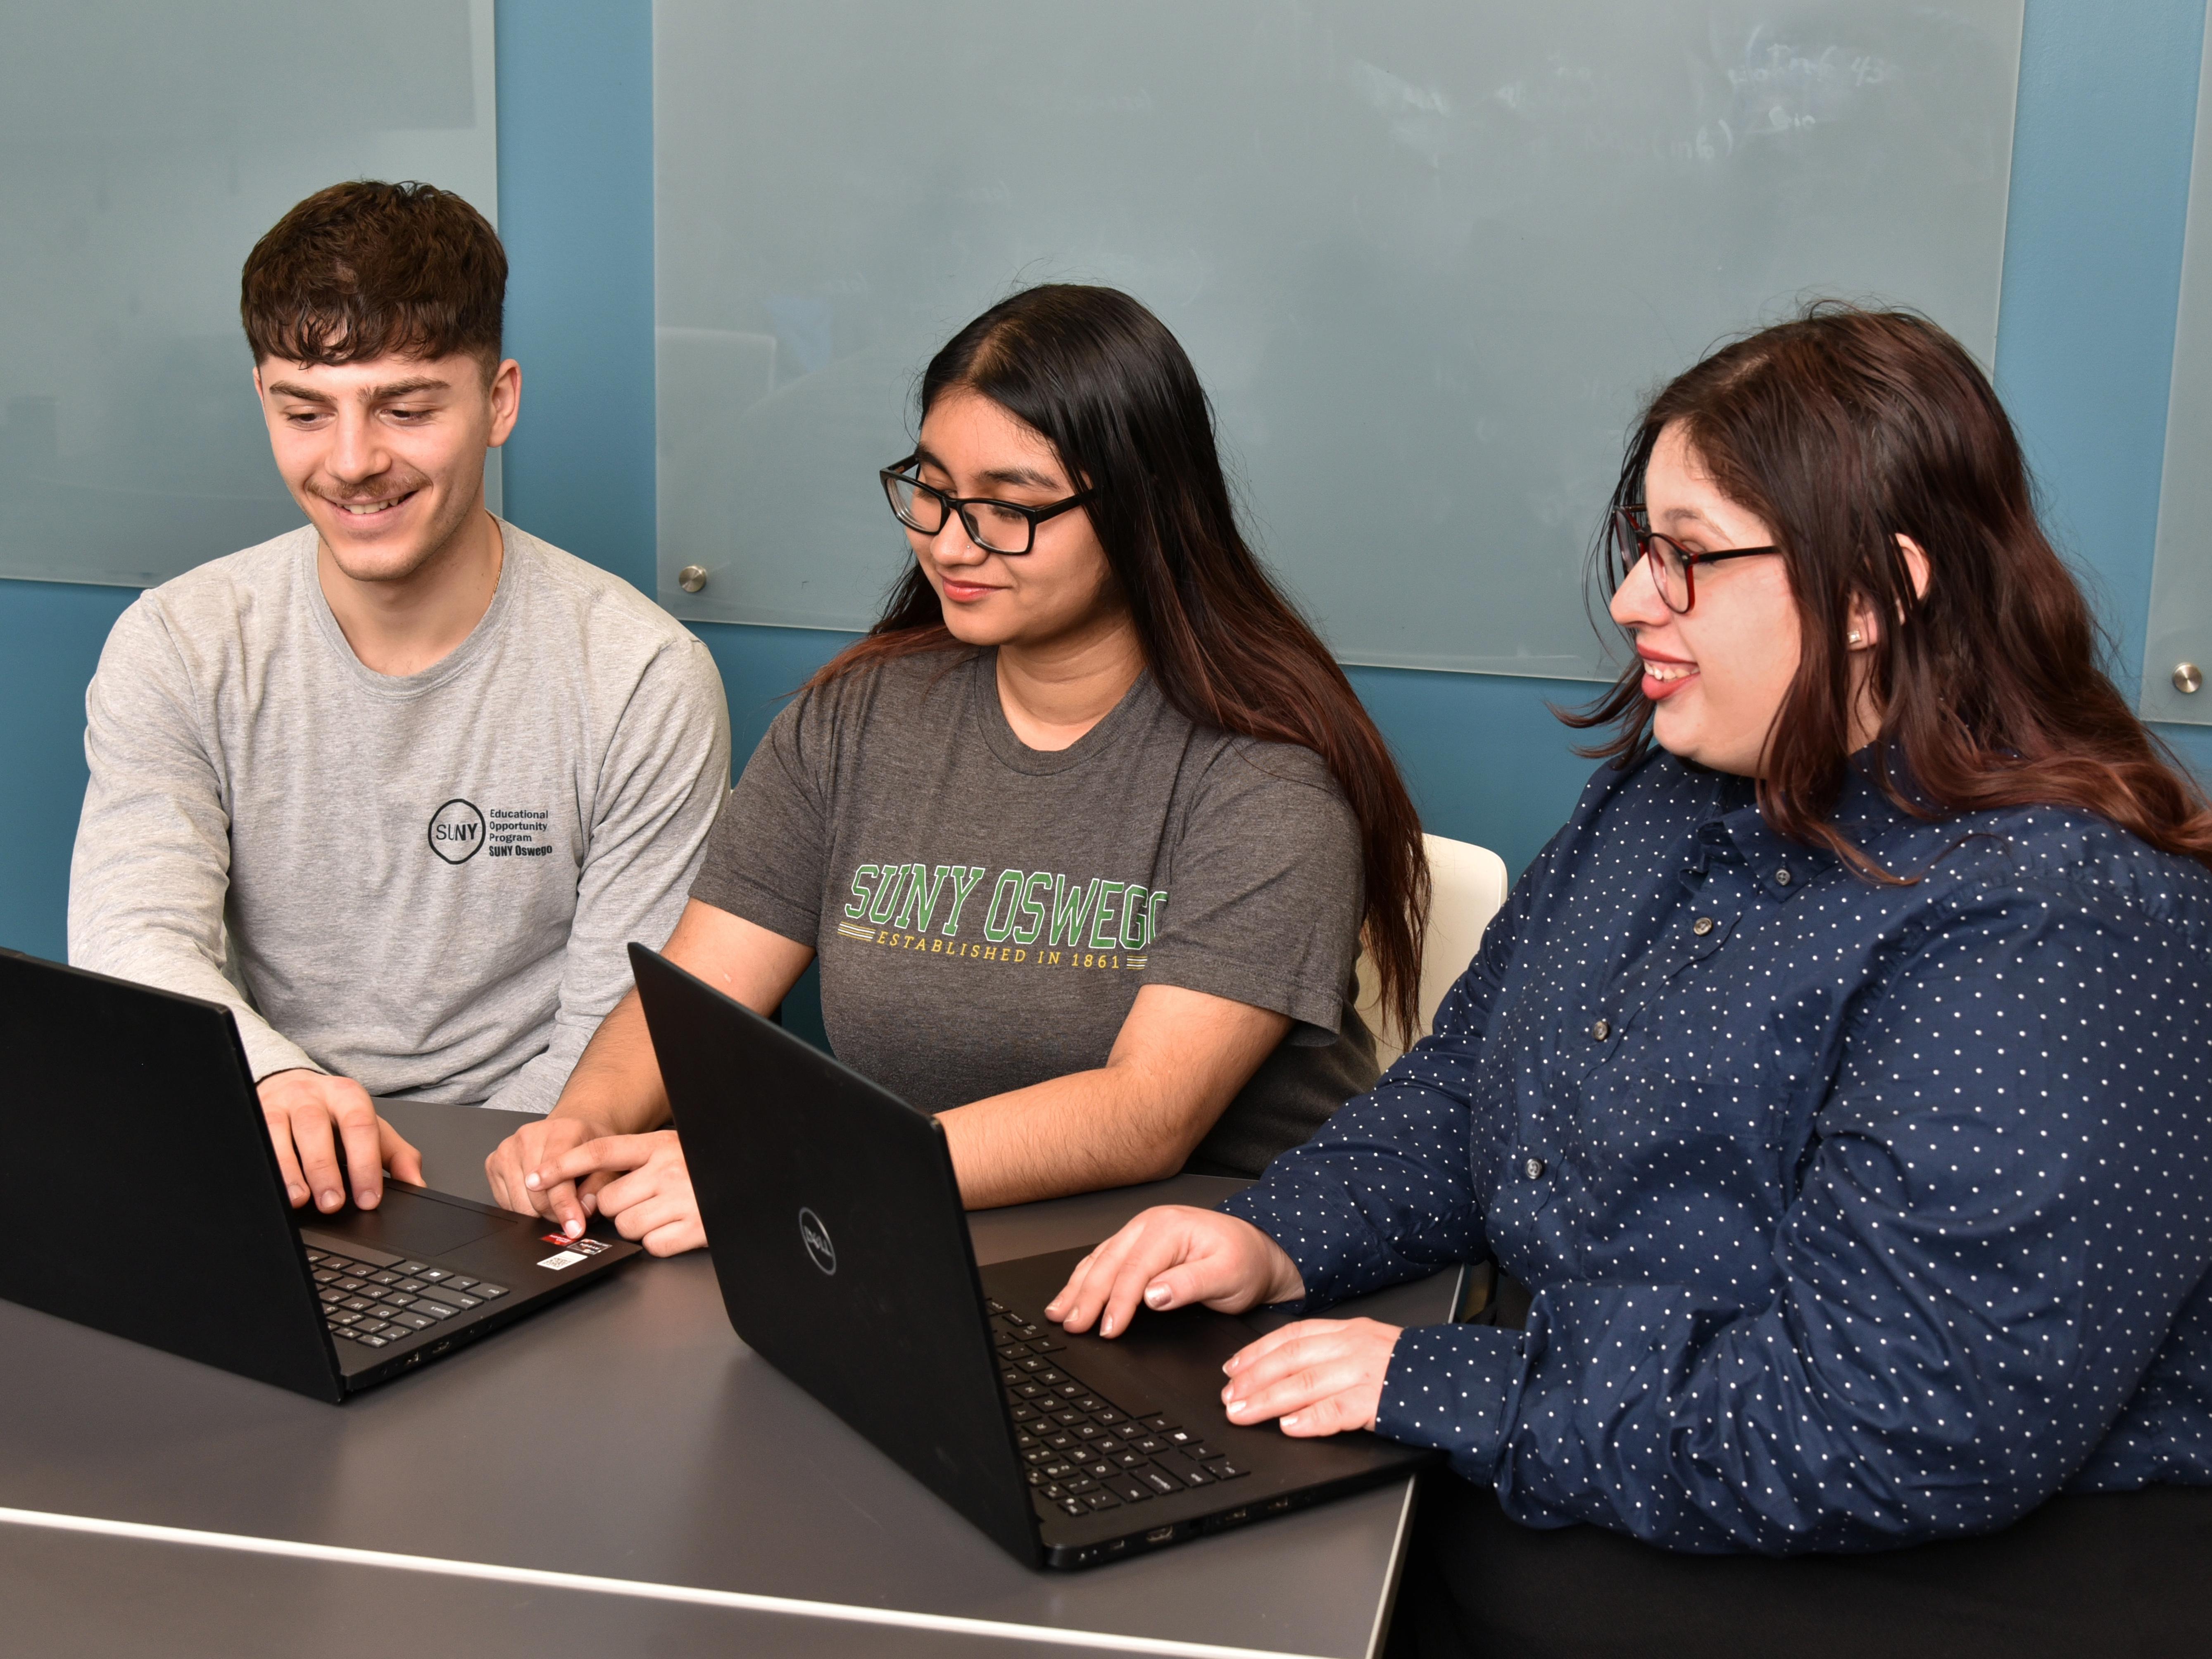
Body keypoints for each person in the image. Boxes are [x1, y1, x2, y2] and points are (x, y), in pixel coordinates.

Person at [1047, 307, 2212, 1645]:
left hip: (1924, 1562)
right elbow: (1471, 1089)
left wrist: (1447, 1379)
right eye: (1637, 548)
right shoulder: (1672, 788)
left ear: (1869, 594)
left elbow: (1899, 1420)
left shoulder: (2056, 923)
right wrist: (1276, 1235)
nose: (1630, 599)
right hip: (1613, 1467)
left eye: (1690, 558)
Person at [484, 284, 1428, 1253]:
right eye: (931, 491)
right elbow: (698, 986)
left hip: (1221, 1268)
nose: (946, 541)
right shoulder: (854, 719)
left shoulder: (1265, 779)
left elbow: (1145, 1113)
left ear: (1145, 512)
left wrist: (794, 1169)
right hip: (913, 1237)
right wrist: (582, 1126)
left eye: (1008, 509)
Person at [69, 181, 730, 1217]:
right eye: (304, 412)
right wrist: (274, 1081)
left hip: (525, 1178)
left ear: (499, 401)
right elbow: (132, 934)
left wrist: (473, 1186)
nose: (352, 462)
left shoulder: (642, 675)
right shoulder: (179, 643)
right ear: (262, 402)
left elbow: (619, 1029)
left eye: (407, 408)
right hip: (269, 1144)